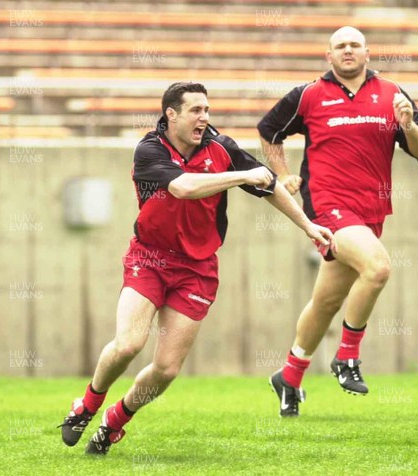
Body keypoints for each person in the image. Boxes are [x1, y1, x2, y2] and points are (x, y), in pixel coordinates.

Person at [59, 82, 334, 455]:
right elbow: (184, 187)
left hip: (198, 269)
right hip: (150, 259)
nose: (204, 117)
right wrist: (242, 176)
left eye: (207, 110)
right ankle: (87, 405)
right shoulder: (150, 149)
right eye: (195, 111)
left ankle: (114, 422)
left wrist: (307, 226)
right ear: (171, 115)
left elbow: (269, 185)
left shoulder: (222, 148)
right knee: (128, 344)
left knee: (167, 370)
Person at [258, 26, 418, 417]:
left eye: (355, 44)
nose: (348, 50)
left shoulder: (392, 95)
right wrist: (283, 175)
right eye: (341, 45)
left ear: (368, 53)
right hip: (328, 207)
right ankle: (347, 357)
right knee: (378, 267)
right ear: (329, 55)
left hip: (371, 213)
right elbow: (269, 131)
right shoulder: (308, 95)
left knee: (325, 302)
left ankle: (289, 376)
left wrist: (409, 127)